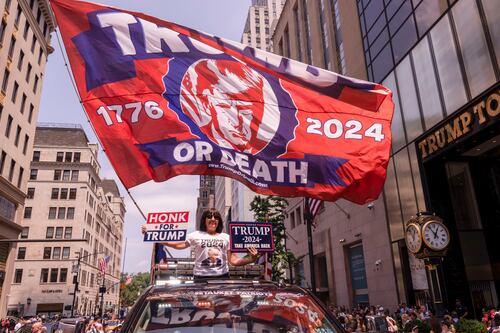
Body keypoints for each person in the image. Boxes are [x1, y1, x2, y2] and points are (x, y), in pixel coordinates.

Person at [179, 59, 281, 154]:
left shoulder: (271, 148)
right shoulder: (200, 139)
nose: (238, 122)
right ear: (207, 106)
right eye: (226, 106)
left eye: (245, 110)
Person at [143, 208, 260, 279]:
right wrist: (153, 234)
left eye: (216, 217)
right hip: (200, 278)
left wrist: (252, 259)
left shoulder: (226, 237)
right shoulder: (195, 235)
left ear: (219, 221)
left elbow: (233, 260)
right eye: (209, 216)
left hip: (222, 278)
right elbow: (178, 245)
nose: (213, 218)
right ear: (204, 220)